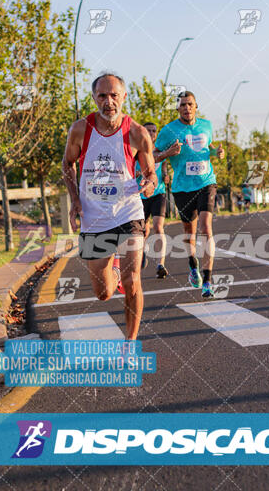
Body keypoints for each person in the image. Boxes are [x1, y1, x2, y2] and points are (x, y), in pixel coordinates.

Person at [62, 72, 157, 340]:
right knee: (103, 293)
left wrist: (148, 185)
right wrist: (75, 199)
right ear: (94, 98)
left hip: (129, 212)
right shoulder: (80, 129)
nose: (109, 101)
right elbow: (67, 163)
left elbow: (151, 175)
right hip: (95, 217)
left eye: (114, 95)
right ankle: (113, 268)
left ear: (124, 97)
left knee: (133, 281)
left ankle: (130, 342)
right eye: (102, 95)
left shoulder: (137, 133)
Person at [153, 90, 225, 298]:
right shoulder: (168, 131)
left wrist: (216, 153)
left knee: (206, 228)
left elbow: (208, 148)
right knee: (189, 233)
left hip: (206, 183)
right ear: (178, 109)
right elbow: (154, 157)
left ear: (196, 106)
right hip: (182, 188)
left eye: (190, 104)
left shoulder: (207, 125)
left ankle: (208, 282)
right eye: (183, 105)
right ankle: (192, 264)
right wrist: (168, 153)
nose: (187, 108)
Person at [136, 122, 170, 279]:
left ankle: (160, 264)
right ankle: (142, 251)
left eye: (154, 131)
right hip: (140, 195)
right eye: (148, 130)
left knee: (158, 226)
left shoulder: (160, 151)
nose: (151, 133)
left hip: (158, 193)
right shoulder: (136, 150)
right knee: (143, 231)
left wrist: (166, 176)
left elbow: (163, 169)